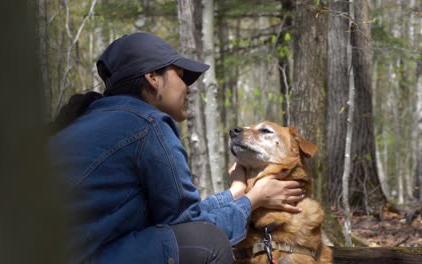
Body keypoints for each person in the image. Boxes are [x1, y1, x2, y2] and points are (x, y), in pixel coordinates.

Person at [49, 32, 305, 264]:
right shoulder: (149, 125)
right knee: (208, 242)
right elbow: (192, 228)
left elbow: (179, 217)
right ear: (153, 78)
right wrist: (255, 198)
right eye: (181, 77)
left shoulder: (93, 119)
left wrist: (235, 192)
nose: (189, 90)